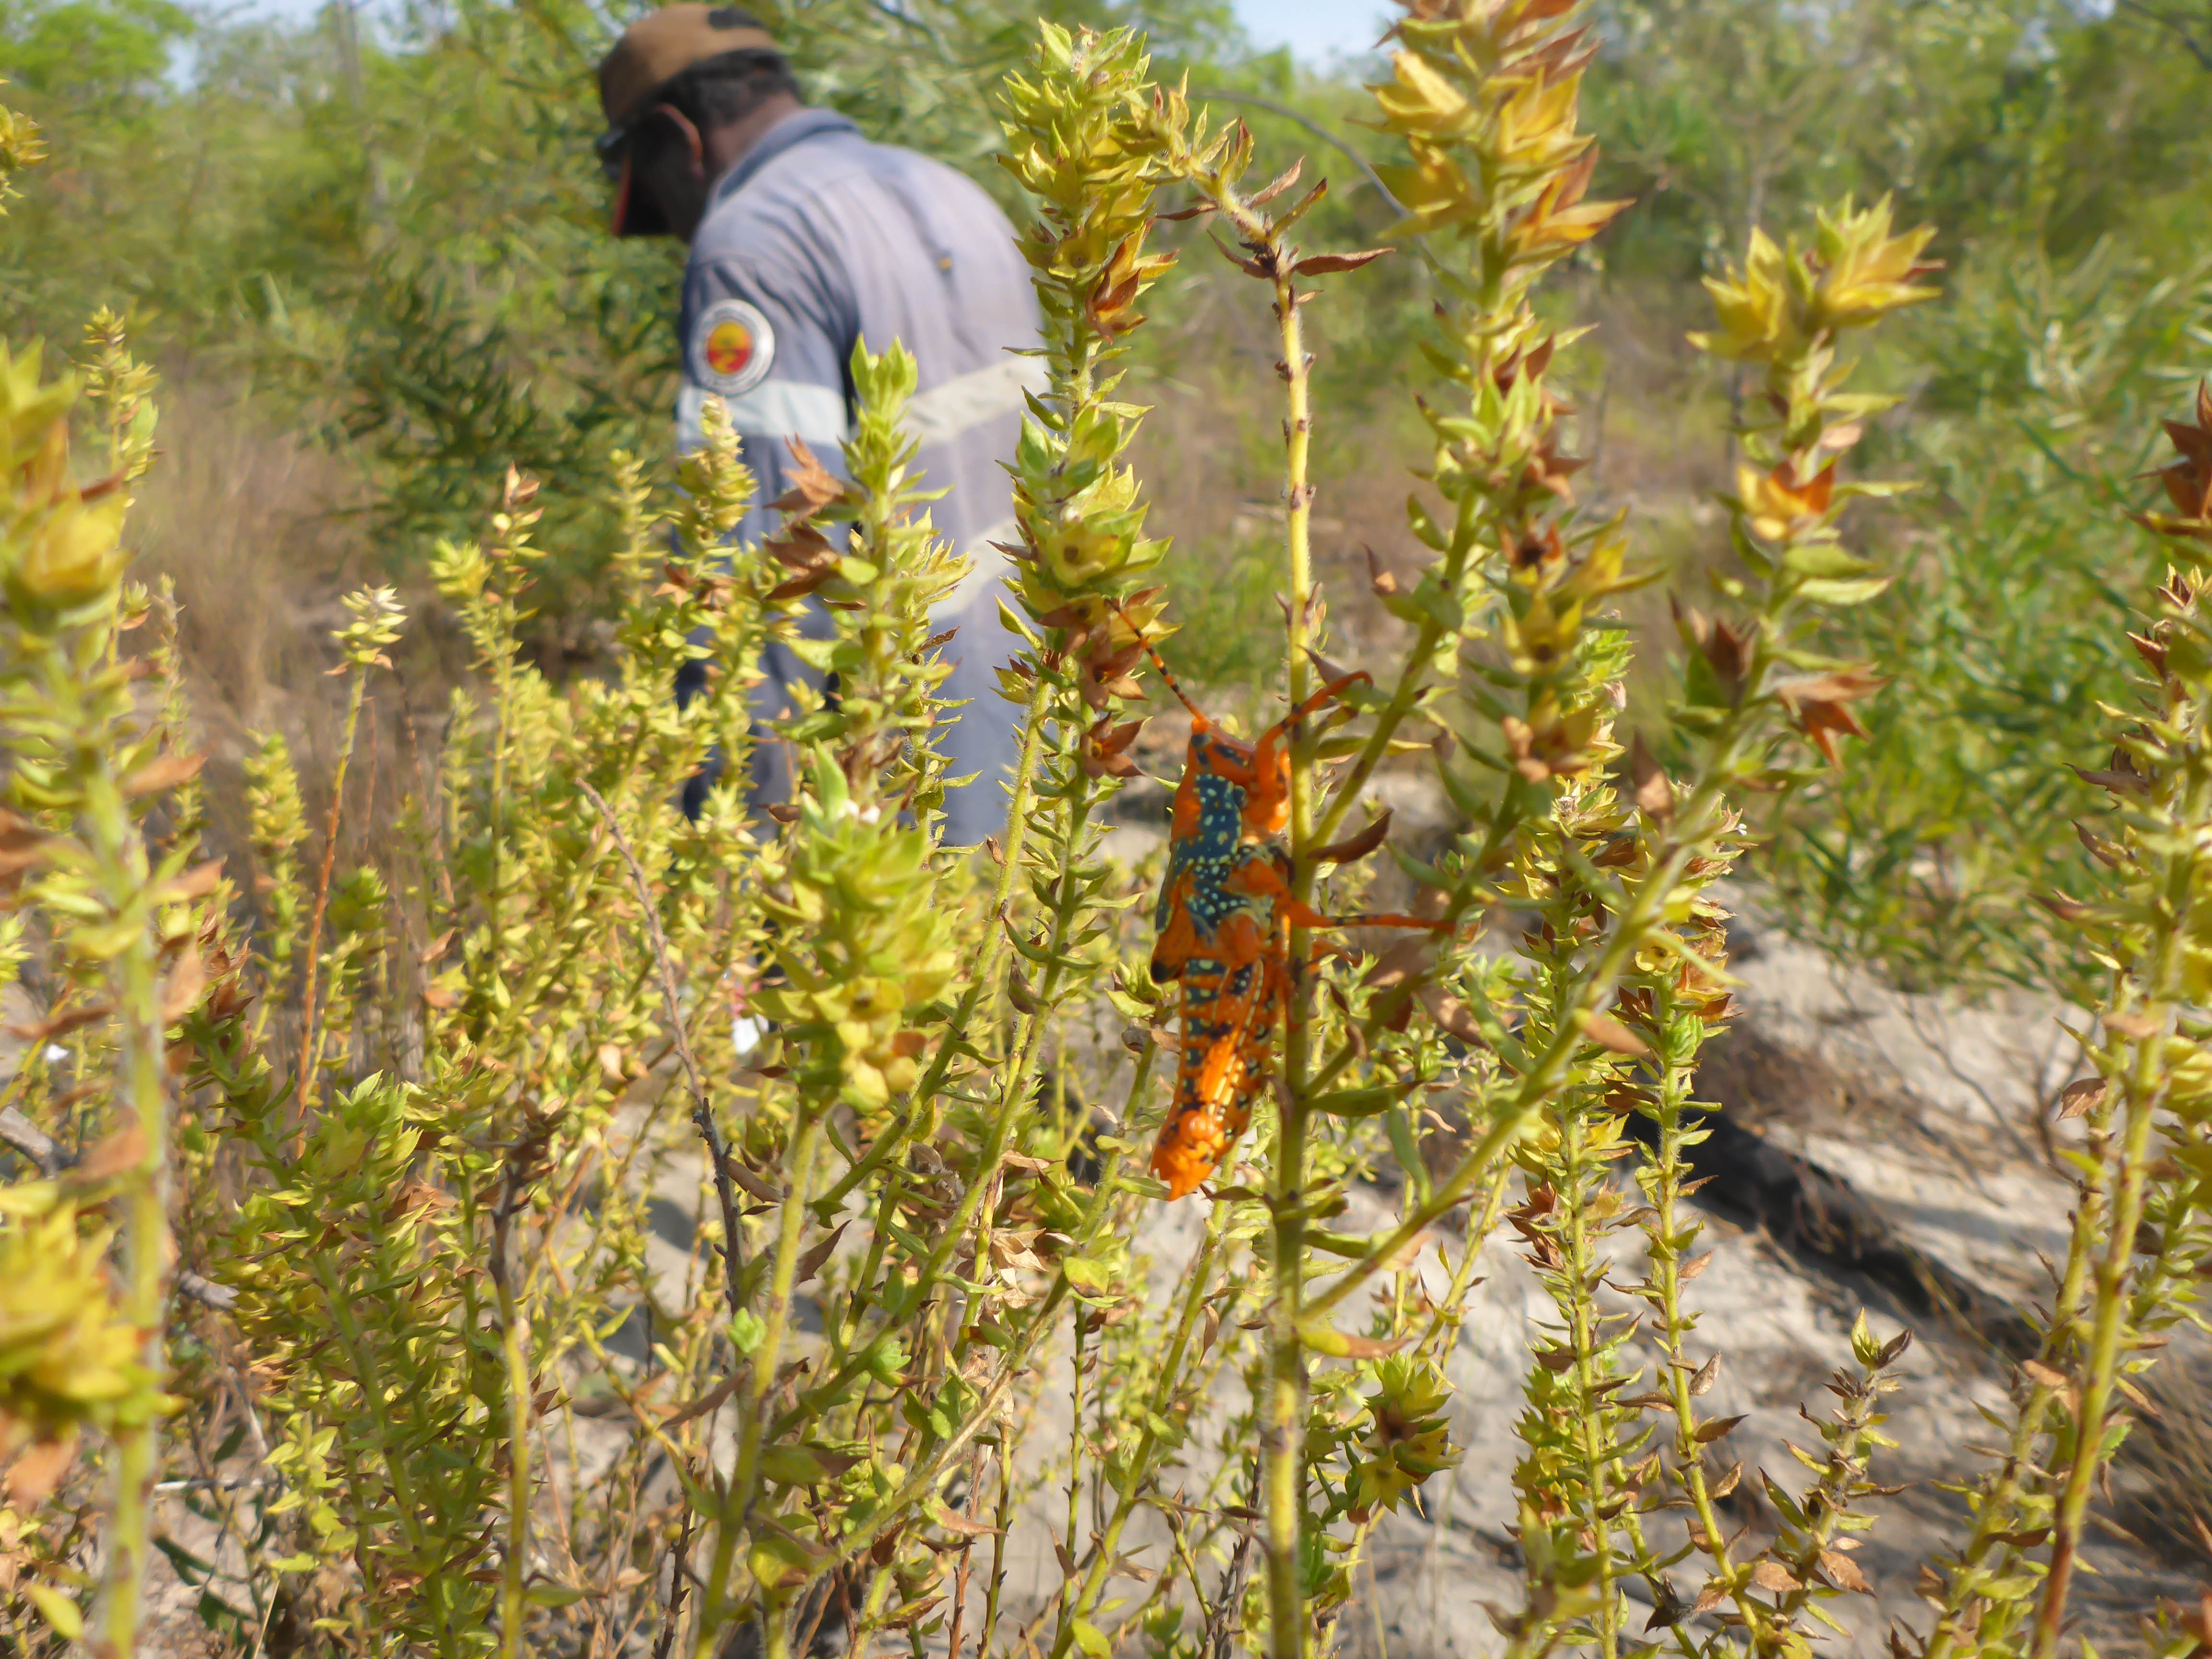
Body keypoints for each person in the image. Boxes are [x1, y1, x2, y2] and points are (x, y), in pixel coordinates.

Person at [595, 5, 1040, 842]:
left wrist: (737, 850)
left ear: (676, 136)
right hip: (1026, 706)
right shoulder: (958, 189)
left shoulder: (751, 244)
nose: (670, 223)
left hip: (893, 758)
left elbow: (762, 576)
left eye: (640, 176)